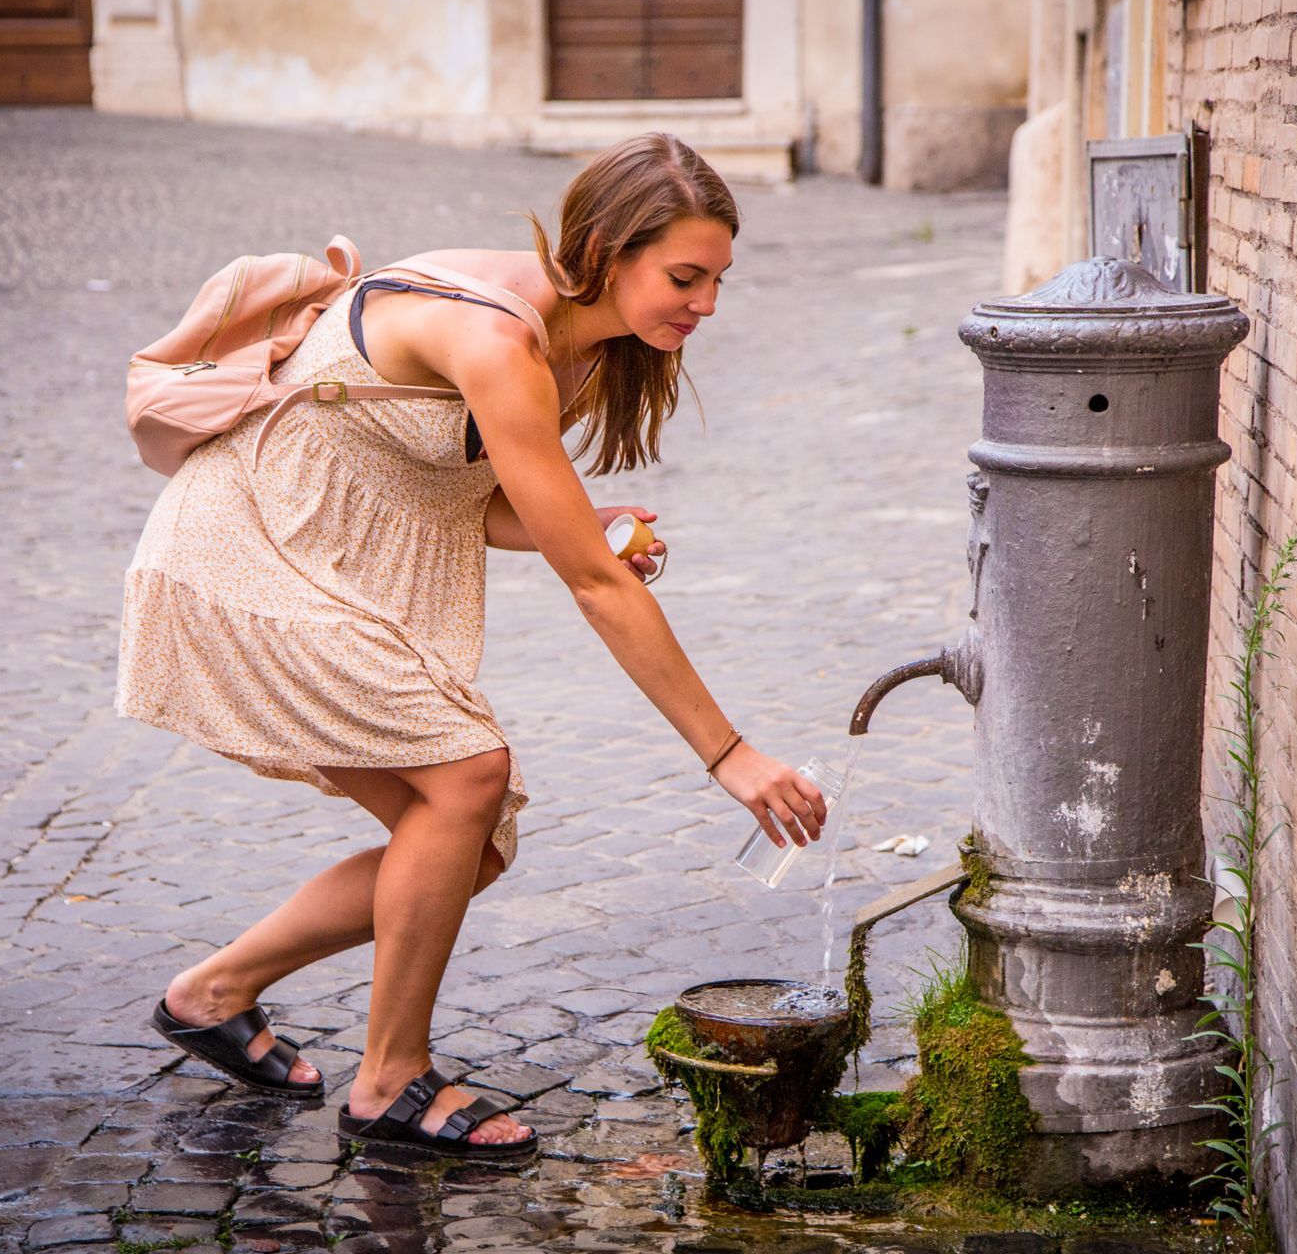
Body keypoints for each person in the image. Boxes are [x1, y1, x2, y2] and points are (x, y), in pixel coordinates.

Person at [115, 133, 828, 1163]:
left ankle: (211, 993)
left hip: (322, 556)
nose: (705, 304)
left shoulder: (579, 343)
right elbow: (592, 582)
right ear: (603, 248)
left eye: (718, 278)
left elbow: (464, 496)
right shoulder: (498, 337)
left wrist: (586, 518)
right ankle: (390, 1080)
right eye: (684, 276)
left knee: (465, 837)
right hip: (247, 556)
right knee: (468, 777)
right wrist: (730, 752)